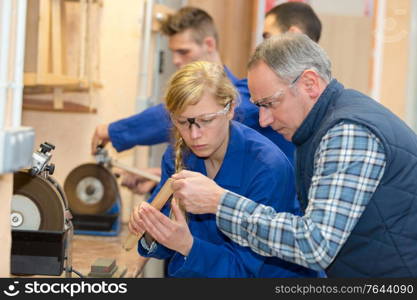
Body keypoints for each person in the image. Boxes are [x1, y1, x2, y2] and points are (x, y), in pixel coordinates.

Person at [170, 33, 417, 277]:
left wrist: (220, 202)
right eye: (259, 106)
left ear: (309, 83)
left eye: (270, 103)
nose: (264, 120)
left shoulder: (347, 132)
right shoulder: (321, 128)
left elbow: (315, 245)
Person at [91, 3, 323, 194]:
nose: (176, 61)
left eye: (267, 36)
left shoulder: (248, 100)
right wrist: (162, 178)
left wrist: (113, 131)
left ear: (230, 107)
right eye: (183, 122)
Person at [128, 60, 318, 278]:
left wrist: (188, 246)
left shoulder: (267, 169)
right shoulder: (177, 154)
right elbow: (167, 241)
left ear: (230, 110)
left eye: (206, 120)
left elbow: (245, 272)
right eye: (182, 122)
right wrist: (151, 230)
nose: (194, 135)